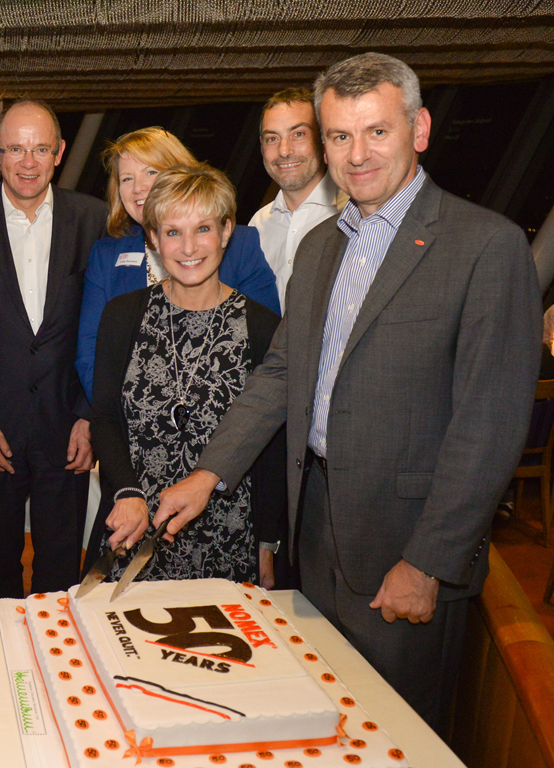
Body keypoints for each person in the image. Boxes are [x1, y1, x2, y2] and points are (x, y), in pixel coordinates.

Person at [149, 52, 541, 733]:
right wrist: (209, 474)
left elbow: (489, 427)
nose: (357, 155)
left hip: (401, 546)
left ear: (419, 129)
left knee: (395, 737)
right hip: (315, 532)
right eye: (339, 135)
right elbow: (282, 373)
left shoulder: (487, 247)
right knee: (323, 727)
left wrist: (427, 563)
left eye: (376, 132)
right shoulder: (322, 247)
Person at [92, 164, 285, 584]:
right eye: (173, 232)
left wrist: (267, 543)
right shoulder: (122, 316)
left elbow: (271, 446)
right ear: (153, 238)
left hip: (230, 535)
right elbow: (105, 415)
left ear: (226, 231)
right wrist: (125, 490)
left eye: (203, 229)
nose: (188, 247)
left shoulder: (263, 327)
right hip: (135, 525)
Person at [0, 99, 109, 603]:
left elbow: (108, 327)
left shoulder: (94, 219)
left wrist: (89, 415)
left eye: (40, 149)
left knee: (62, 572)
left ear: (59, 153)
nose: (27, 162)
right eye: (16, 148)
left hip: (68, 428)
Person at [75, 127, 280, 404]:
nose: (138, 188)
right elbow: (91, 354)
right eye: (127, 178)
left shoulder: (238, 244)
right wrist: (120, 416)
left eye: (151, 172)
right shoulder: (107, 254)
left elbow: (267, 353)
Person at [249, 88, 345, 308]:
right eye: (272, 138)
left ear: (322, 140)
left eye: (298, 134)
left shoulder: (352, 216)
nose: (284, 151)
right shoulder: (258, 226)